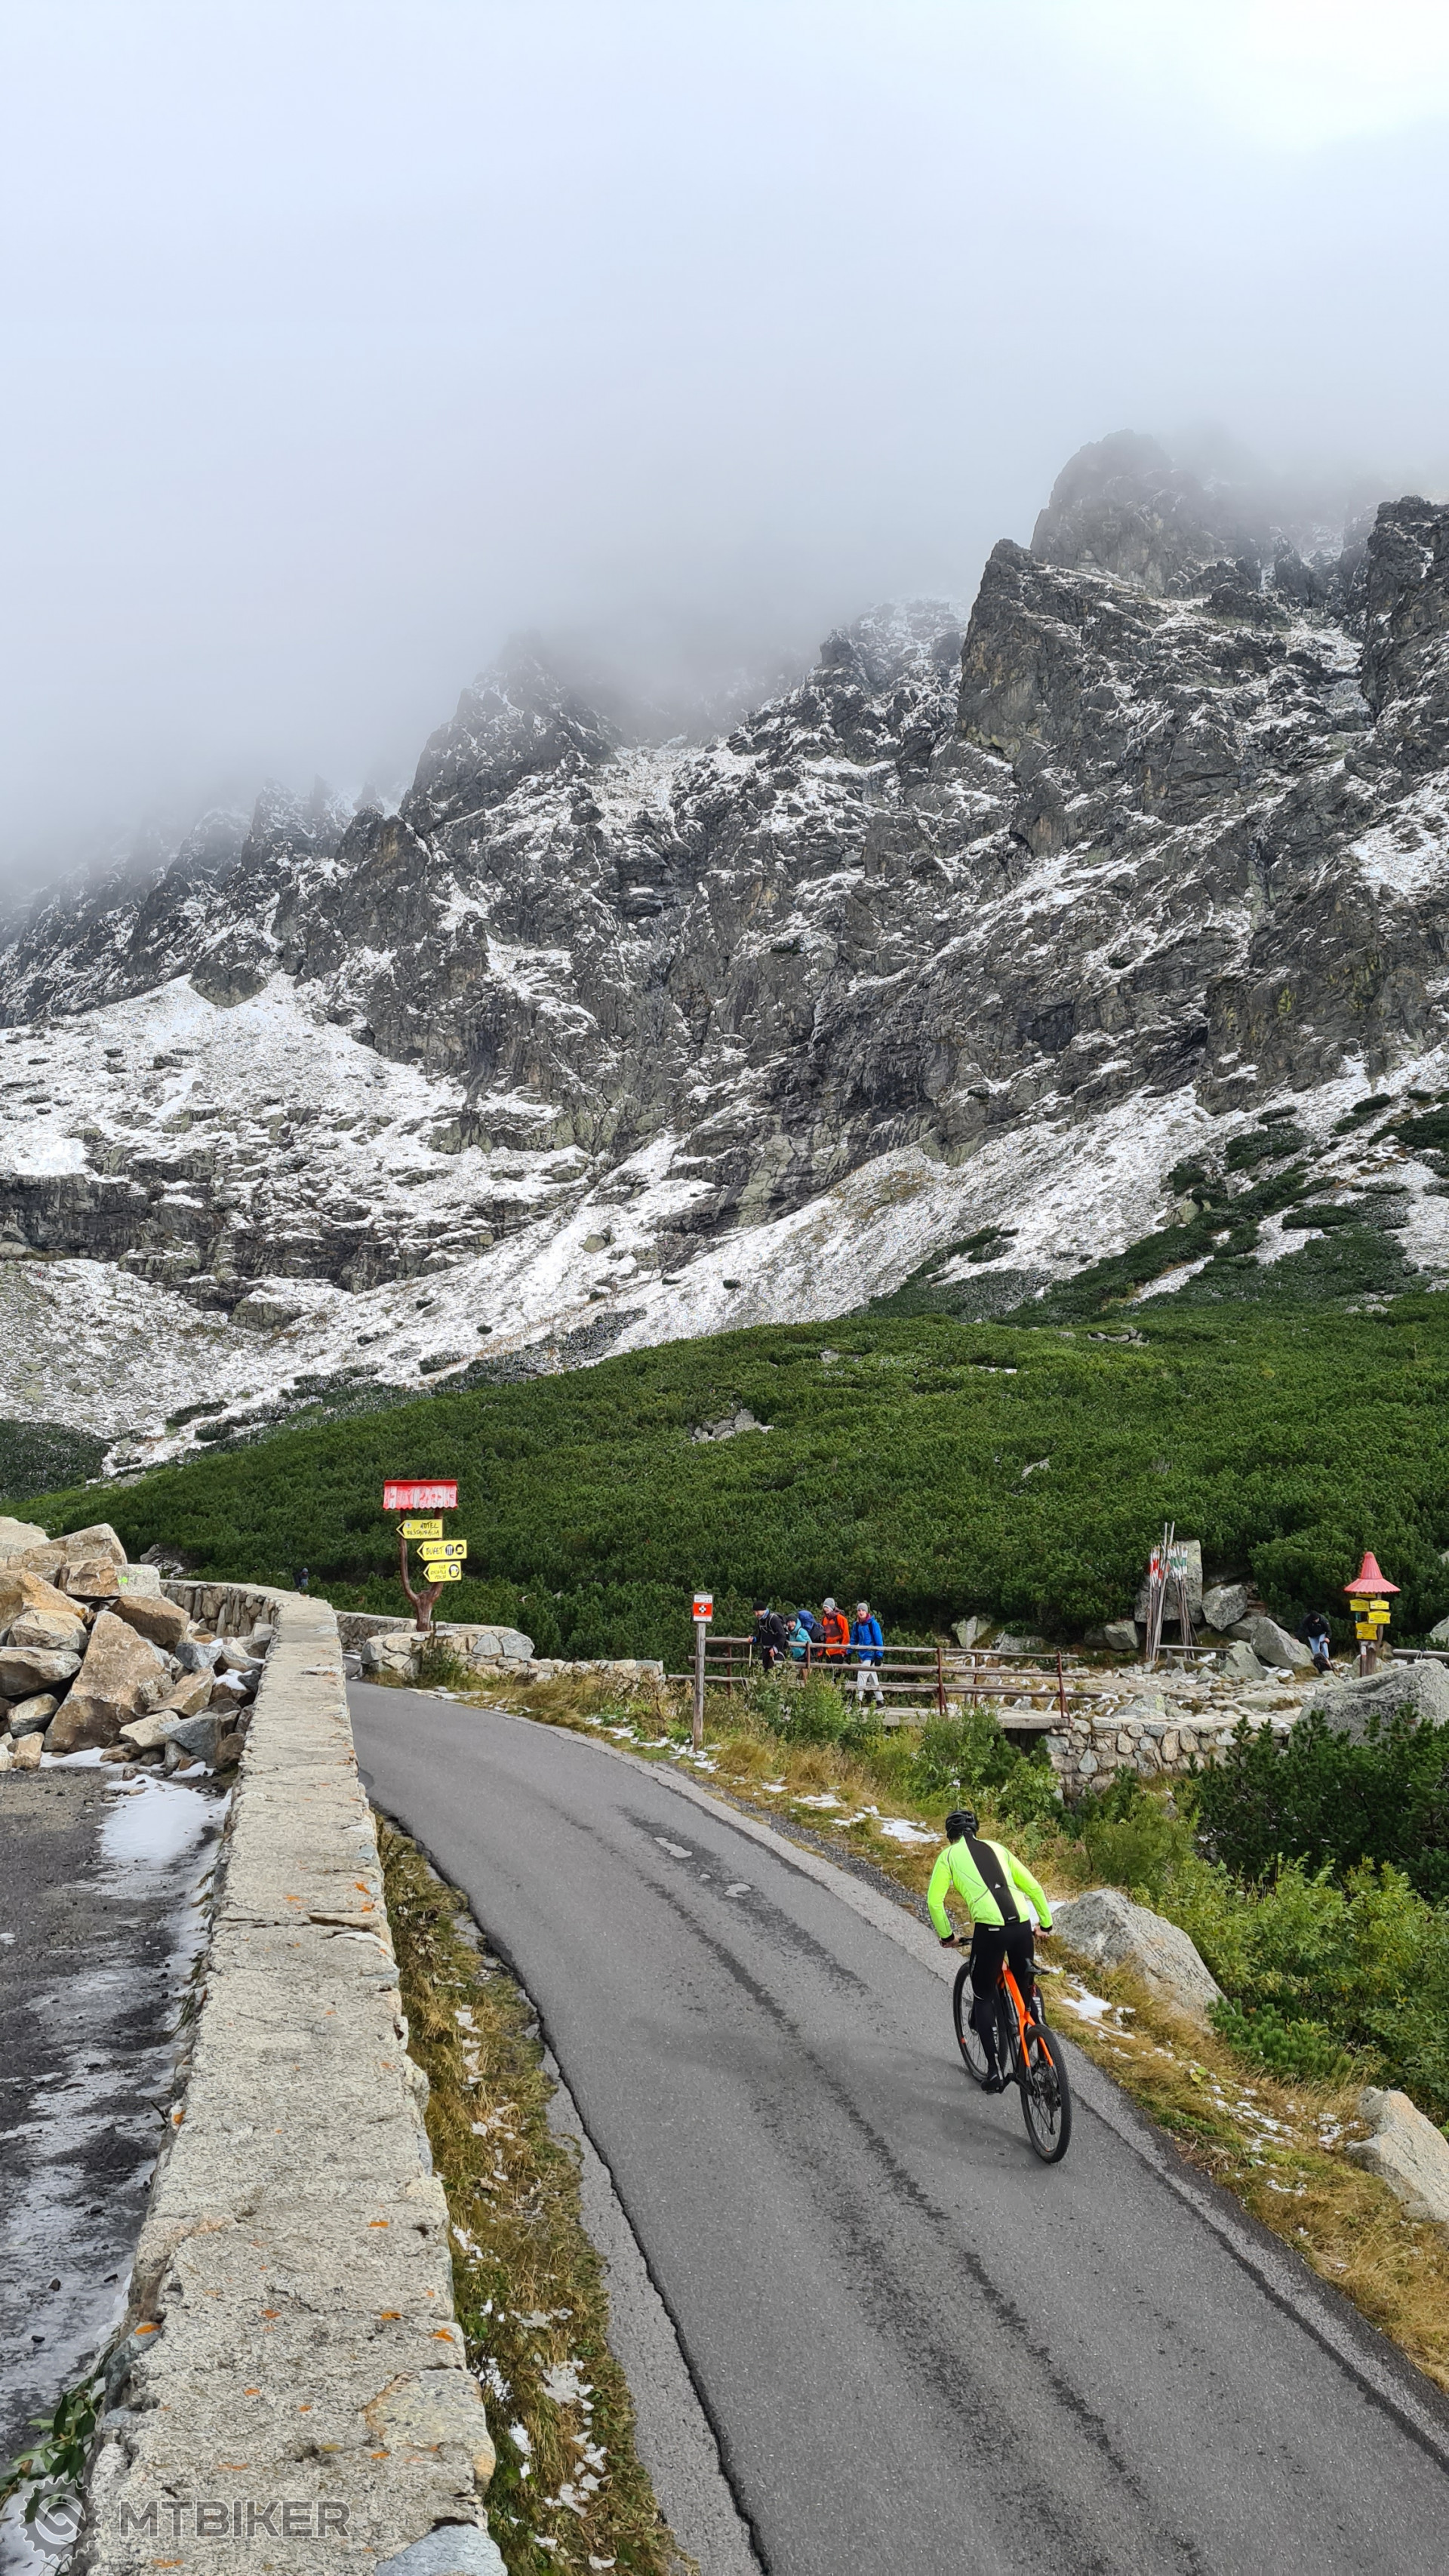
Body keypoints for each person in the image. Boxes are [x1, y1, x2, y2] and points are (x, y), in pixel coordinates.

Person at [928, 1808, 1054, 2093]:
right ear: (976, 1830)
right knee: (1027, 1988)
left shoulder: (948, 1856)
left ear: (950, 1835)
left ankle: (995, 2071)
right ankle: (1044, 2051)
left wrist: (947, 1936)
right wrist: (1045, 1924)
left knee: (983, 1995)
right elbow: (1034, 1887)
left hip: (991, 1930)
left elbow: (934, 1902)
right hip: (1021, 1926)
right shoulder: (998, 1849)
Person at [850, 1599, 884, 1705]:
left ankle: (858, 1700)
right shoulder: (857, 1625)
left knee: (862, 1673)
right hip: (863, 1655)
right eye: (859, 1610)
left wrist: (879, 1655)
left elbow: (879, 1640)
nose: (861, 1612)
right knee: (872, 1678)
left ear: (867, 1612)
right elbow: (853, 1640)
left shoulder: (873, 1624)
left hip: (871, 1655)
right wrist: (848, 1652)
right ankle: (880, 1701)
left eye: (863, 1610)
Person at [752, 1599, 789, 1671]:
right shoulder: (760, 1621)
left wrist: (775, 1649)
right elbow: (760, 1636)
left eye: (757, 1612)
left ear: (763, 1610)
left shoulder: (774, 1620)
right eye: (755, 1612)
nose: (756, 1614)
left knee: (777, 1673)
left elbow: (782, 1636)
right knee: (766, 1673)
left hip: (777, 1653)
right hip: (766, 1652)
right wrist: (754, 1639)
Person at [820, 1597, 850, 1662]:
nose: (825, 1609)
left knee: (837, 1668)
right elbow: (823, 1635)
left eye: (827, 1607)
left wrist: (843, 1650)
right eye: (824, 1607)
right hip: (828, 1651)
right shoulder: (824, 1619)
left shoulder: (840, 1618)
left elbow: (846, 1635)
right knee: (829, 1668)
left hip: (838, 1651)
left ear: (831, 1608)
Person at [1303, 1610, 1331, 1676]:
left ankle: (1327, 1660)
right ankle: (1320, 1666)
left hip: (1321, 1634)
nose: (1316, 1621)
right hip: (1312, 1636)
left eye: (1317, 1619)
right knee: (1316, 1651)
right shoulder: (1307, 1620)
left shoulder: (1323, 1620)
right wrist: (1297, 1638)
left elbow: (1329, 1630)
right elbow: (1302, 1628)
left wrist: (1327, 1637)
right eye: (1314, 1620)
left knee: (1323, 1644)